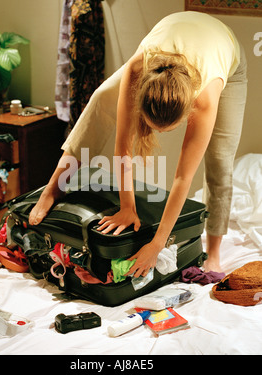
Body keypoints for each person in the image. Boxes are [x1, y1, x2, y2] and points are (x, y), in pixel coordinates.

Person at [29, 11, 247, 277]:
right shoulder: (137, 70)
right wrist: (126, 208)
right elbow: (123, 148)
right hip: (171, 38)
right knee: (100, 100)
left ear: (189, 111)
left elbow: (182, 177)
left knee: (220, 162)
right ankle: (53, 188)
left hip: (223, 47)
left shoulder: (205, 98)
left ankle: (213, 253)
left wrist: (157, 244)